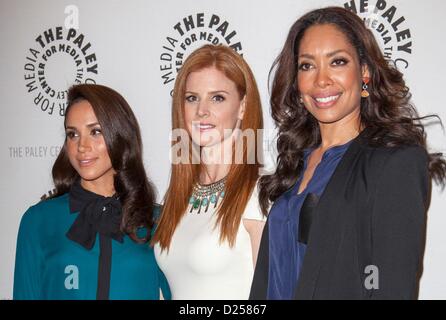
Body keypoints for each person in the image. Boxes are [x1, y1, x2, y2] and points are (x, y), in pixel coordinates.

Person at [250, 7, 446, 300]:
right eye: (307, 66)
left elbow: (391, 288)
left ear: (364, 72)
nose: (321, 80)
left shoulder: (395, 162)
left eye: (337, 62)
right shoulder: (295, 163)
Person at [13, 84, 171, 300]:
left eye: (95, 131)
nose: (82, 146)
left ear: (120, 135)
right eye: (73, 134)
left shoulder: (159, 222)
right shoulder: (38, 220)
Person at [152, 44, 266, 299]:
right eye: (192, 98)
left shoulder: (260, 194)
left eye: (217, 98)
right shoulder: (176, 197)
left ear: (243, 106)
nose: (201, 111)